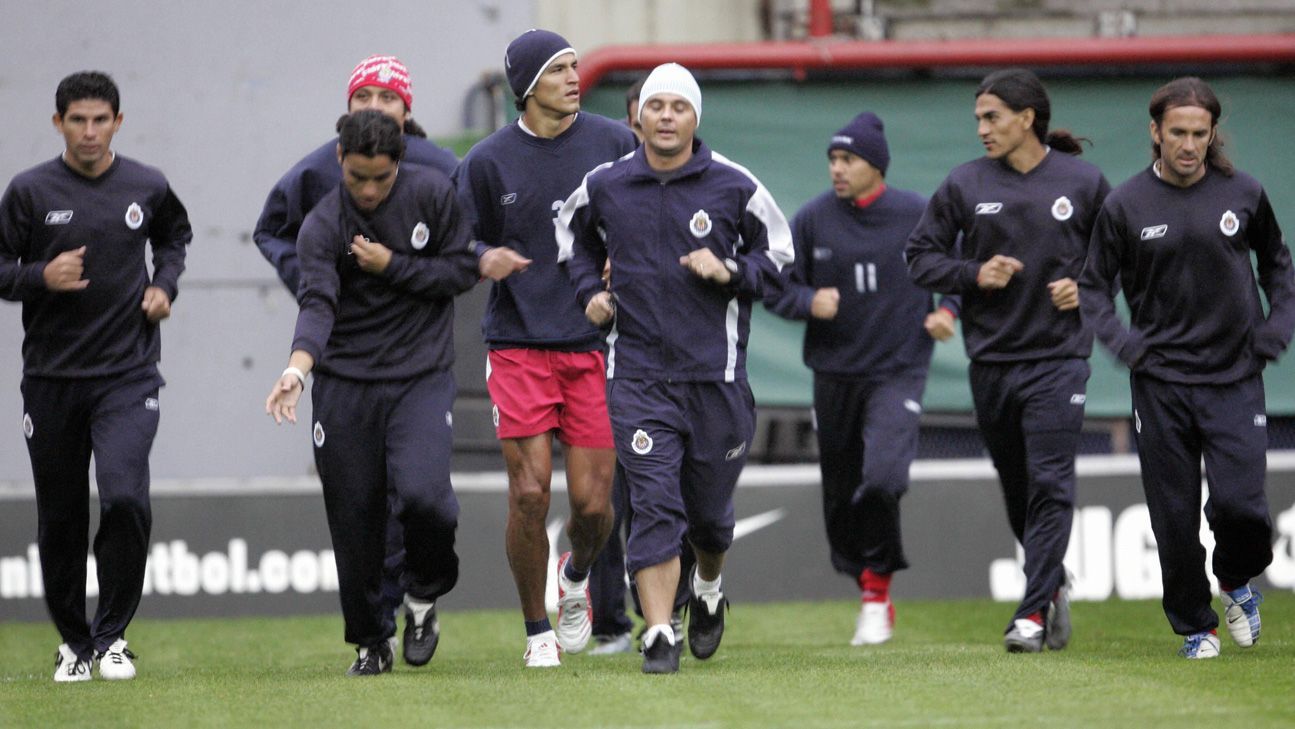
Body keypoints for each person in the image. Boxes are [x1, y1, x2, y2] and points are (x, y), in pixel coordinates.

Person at [558, 62, 794, 673]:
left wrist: (733, 272)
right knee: (656, 505)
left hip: (716, 381)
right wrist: (589, 292)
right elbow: (571, 238)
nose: (666, 116)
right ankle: (660, 631)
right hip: (636, 377)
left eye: (678, 107)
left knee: (709, 521)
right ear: (638, 116)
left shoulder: (733, 185)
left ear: (695, 118)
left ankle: (709, 590)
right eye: (655, 106)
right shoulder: (606, 185)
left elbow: (782, 255)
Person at [1079, 77, 1295, 659]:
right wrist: (1124, 344)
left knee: (1243, 509)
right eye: (1178, 132)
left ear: (1211, 135)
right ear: (1156, 132)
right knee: (1173, 517)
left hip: (1233, 378)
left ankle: (1235, 580)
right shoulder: (1125, 205)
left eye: (1200, 133)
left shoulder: (1244, 194)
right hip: (1161, 384)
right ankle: (1196, 627)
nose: (1190, 144)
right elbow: (1093, 287)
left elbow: (1279, 267)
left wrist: (1275, 330)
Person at [252, 54, 458, 660]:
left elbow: (470, 252)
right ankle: (372, 638)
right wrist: (320, 286)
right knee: (357, 511)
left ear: (406, 109)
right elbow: (271, 230)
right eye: (363, 97)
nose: (374, 108)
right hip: (342, 365)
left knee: (423, 499)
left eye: (386, 98)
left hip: (417, 365)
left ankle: (424, 591)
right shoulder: (317, 172)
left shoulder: (442, 171)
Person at [905, 68, 1110, 653]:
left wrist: (1088, 286)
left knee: (1050, 481)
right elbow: (919, 257)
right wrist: (973, 274)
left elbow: (1124, 257)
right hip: (992, 362)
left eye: (991, 117)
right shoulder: (965, 184)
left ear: (1027, 118)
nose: (982, 129)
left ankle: (1030, 614)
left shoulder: (1085, 182)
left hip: (1060, 360)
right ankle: (1052, 584)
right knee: (1018, 486)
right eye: (977, 119)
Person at [453, 29, 637, 668]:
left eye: (574, 66)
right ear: (527, 86)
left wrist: (624, 258)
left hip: (594, 347)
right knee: (529, 494)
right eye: (558, 69)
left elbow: (645, 215)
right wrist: (484, 256)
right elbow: (457, 240)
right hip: (518, 348)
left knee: (593, 507)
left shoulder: (616, 143)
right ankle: (537, 632)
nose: (572, 77)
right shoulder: (486, 161)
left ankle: (577, 576)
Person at [0, 71, 192, 682]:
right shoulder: (28, 192)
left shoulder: (147, 184)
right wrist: (38, 277)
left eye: (100, 120)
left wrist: (165, 285)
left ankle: (112, 637)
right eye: (77, 121)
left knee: (126, 496)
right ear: (58, 123)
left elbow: (174, 236)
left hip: (128, 377)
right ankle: (72, 643)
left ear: (117, 121)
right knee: (61, 516)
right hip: (52, 379)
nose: (89, 132)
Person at [765, 111, 958, 645]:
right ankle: (864, 580)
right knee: (843, 494)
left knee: (884, 478)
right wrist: (808, 301)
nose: (837, 169)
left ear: (875, 164)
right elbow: (775, 285)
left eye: (848, 159)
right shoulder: (811, 219)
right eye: (832, 159)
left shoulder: (917, 214)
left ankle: (877, 594)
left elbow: (959, 266)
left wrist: (949, 312)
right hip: (835, 374)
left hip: (899, 370)